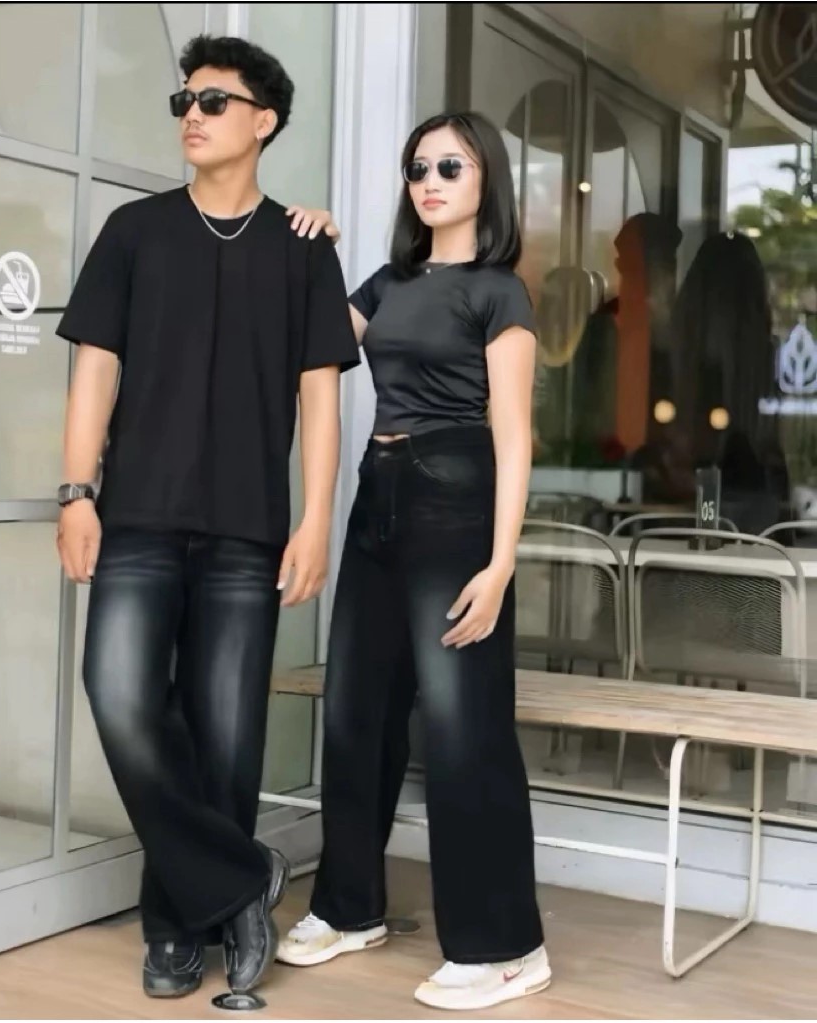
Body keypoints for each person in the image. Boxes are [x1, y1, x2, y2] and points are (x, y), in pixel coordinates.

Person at [54, 34, 359, 1000]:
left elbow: (321, 397)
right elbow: (94, 370)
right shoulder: (134, 231)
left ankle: (176, 931)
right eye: (183, 99)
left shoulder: (304, 250)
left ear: (263, 121)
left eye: (214, 101)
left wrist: (316, 519)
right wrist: (76, 492)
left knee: (225, 739)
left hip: (247, 529)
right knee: (119, 696)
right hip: (137, 518)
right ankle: (242, 880)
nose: (192, 113)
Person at [277, 111, 551, 1011]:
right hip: (379, 497)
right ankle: (349, 907)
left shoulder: (498, 291)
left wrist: (501, 562)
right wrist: (313, 248)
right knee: (357, 711)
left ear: (485, 180)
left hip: (458, 497)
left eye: (449, 167)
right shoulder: (388, 283)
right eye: (417, 168)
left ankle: (506, 946)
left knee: (464, 725)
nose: (429, 182)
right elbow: (310, 344)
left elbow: (515, 435)